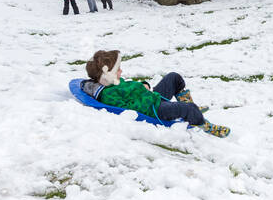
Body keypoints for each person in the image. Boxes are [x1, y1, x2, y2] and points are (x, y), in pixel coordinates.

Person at [80, 50, 229, 137]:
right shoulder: (109, 95)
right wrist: (142, 92)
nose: (121, 72)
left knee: (173, 77)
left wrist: (143, 86)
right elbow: (129, 109)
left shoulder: (115, 82)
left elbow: (132, 88)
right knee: (189, 109)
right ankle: (203, 123)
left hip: (152, 97)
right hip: (153, 109)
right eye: (118, 70)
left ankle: (187, 104)